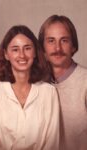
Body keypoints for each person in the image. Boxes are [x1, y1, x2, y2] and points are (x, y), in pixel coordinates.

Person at [0, 25, 60, 150]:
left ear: (35, 52)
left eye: (27, 48)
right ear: (6, 54)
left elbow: (52, 144)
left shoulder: (49, 93)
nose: (22, 55)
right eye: (15, 49)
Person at [38, 15, 87, 150]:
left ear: (73, 46)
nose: (57, 48)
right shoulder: (37, 85)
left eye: (64, 40)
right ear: (42, 48)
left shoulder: (85, 83)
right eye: (51, 41)